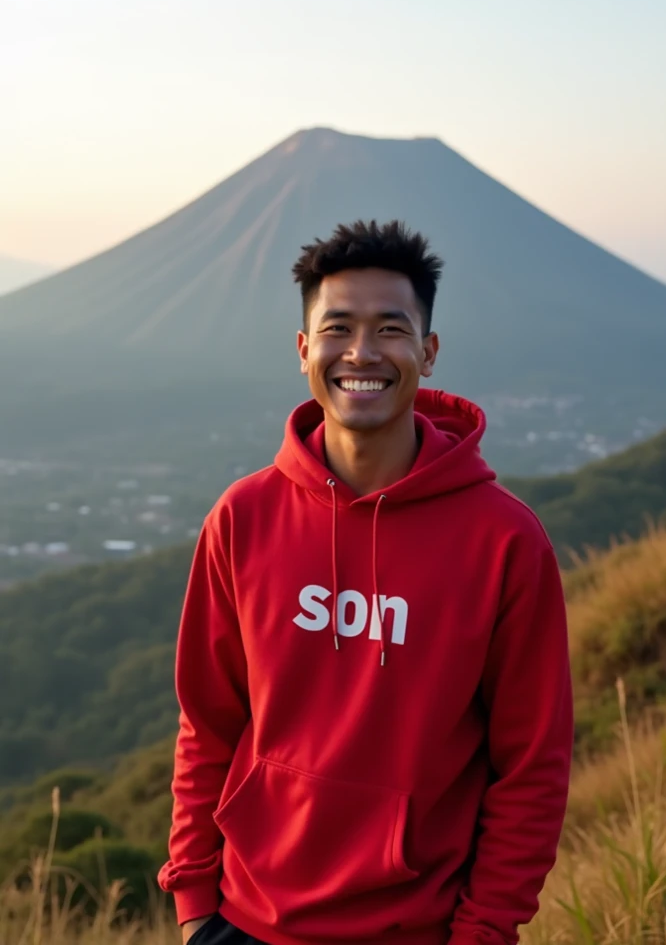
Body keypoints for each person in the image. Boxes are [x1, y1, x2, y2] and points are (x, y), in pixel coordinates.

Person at [158, 219, 573, 945]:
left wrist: (483, 932)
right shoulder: (243, 516)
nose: (361, 353)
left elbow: (532, 765)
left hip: (419, 929)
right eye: (337, 328)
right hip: (242, 920)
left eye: (390, 329)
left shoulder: (503, 540)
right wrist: (195, 901)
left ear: (428, 352)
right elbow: (207, 725)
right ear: (302, 350)